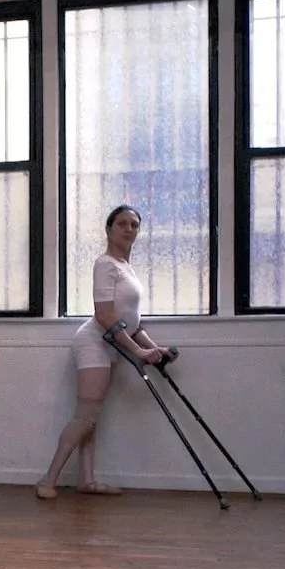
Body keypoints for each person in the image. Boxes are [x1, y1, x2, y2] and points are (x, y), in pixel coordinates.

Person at [34, 204, 175, 499]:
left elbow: (131, 322)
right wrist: (138, 352)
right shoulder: (105, 264)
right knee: (85, 416)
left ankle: (86, 480)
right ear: (109, 229)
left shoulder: (126, 267)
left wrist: (154, 348)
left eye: (134, 225)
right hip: (94, 342)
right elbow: (105, 315)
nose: (129, 229)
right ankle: (47, 480)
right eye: (122, 223)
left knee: (92, 417)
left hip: (110, 343)